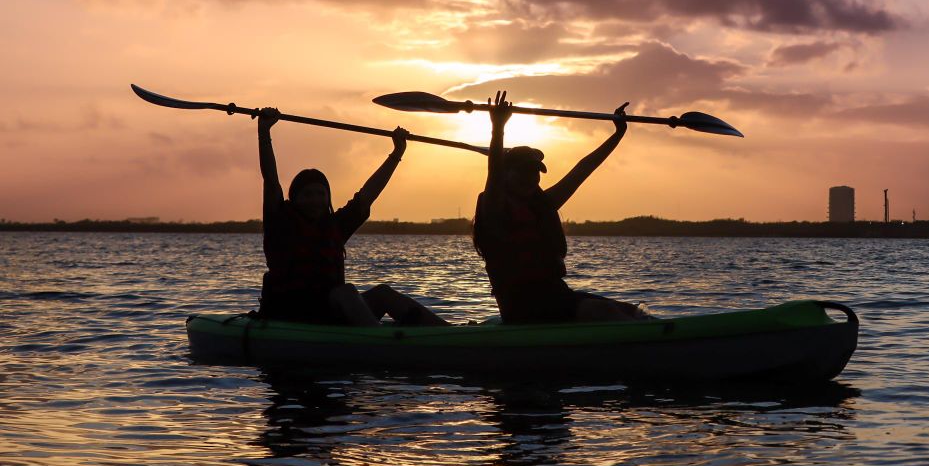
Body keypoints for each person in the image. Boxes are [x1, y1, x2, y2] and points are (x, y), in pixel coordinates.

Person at [256, 107, 448, 326]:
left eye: (321, 194)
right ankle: (381, 343)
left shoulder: (335, 225)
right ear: (295, 198)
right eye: (307, 194)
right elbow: (271, 180)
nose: (315, 200)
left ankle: (451, 334)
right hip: (292, 313)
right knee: (345, 293)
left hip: (330, 314)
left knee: (382, 293)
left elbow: (367, 195)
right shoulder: (280, 221)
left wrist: (397, 153)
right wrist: (264, 131)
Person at [473, 91, 651, 324]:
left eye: (535, 172)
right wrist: (498, 128)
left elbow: (583, 169)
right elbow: (494, 173)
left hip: (556, 296)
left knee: (633, 311)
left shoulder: (541, 205)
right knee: (603, 312)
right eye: (523, 171)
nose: (530, 178)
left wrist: (617, 135)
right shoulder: (493, 207)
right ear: (506, 173)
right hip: (522, 307)